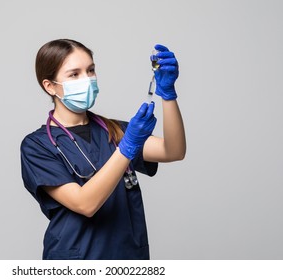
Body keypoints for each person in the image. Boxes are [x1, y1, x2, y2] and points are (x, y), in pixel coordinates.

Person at [20, 39, 186, 260]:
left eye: (90, 70)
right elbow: (85, 204)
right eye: (74, 74)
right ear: (50, 86)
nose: (87, 79)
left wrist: (168, 96)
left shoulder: (114, 130)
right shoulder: (37, 145)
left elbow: (173, 151)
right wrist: (127, 148)